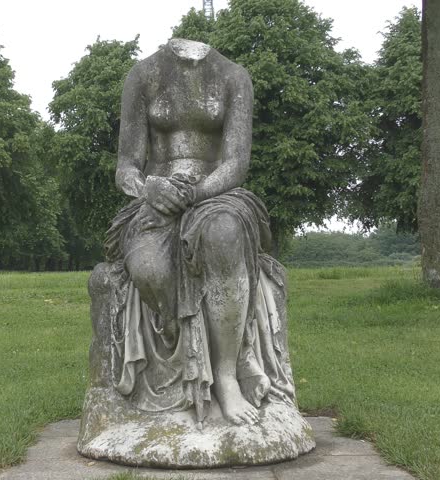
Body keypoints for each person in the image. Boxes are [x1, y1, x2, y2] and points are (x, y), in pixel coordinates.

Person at [104, 38, 295, 426]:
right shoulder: (143, 75)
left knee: (223, 235)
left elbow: (236, 163)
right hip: (157, 200)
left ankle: (225, 376)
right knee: (148, 271)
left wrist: (197, 191)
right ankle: (181, 356)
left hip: (218, 195)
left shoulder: (232, 77)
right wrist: (149, 188)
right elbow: (125, 166)